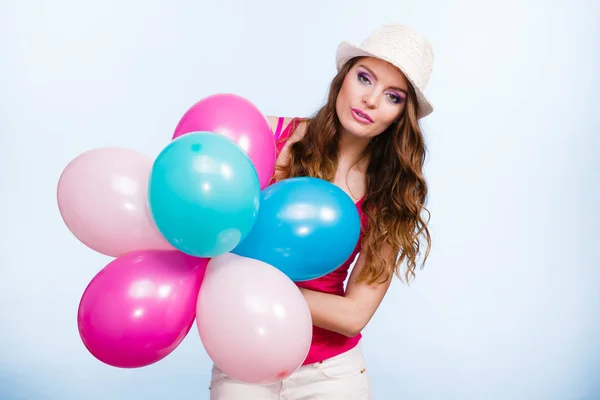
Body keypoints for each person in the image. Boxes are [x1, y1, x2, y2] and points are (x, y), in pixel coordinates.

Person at [209, 23, 435, 399]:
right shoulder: (269, 137)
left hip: (329, 375)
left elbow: (353, 316)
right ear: (343, 78)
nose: (371, 100)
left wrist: (252, 284)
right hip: (244, 359)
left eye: (392, 96)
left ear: (401, 115)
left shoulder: (390, 192)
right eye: (365, 78)